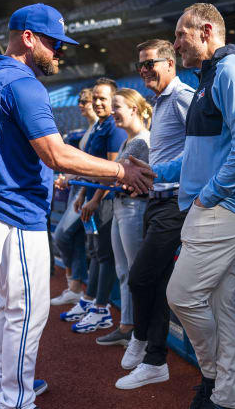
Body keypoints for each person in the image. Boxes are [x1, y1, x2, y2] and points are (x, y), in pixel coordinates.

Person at [0, 3, 153, 409]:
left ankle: (1, 383)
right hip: (10, 214)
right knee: (26, 314)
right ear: (28, 38)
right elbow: (57, 155)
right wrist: (121, 172)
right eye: (54, 43)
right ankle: (16, 399)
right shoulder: (22, 83)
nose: (60, 52)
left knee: (8, 306)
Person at [142, 3, 235, 409]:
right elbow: (196, 157)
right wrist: (151, 172)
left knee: (180, 296)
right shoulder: (208, 78)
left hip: (224, 207)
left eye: (181, 34)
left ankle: (213, 377)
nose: (176, 42)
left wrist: (207, 195)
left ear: (207, 31)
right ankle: (226, 398)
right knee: (222, 308)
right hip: (214, 205)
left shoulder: (232, 72)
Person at [115, 39, 194, 390]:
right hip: (156, 200)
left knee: (139, 278)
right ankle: (155, 360)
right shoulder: (162, 102)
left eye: (150, 64)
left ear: (170, 63)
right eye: (140, 65)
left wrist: (156, 175)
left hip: (175, 204)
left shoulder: (182, 97)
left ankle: (142, 340)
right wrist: (145, 176)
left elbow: (201, 151)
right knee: (157, 284)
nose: (144, 70)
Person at [61, 78, 128, 334]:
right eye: (96, 98)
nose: (98, 103)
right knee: (96, 253)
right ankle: (90, 302)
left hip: (106, 201)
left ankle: (101, 309)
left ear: (114, 100)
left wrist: (95, 198)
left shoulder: (114, 128)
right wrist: (81, 196)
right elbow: (92, 170)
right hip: (91, 199)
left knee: (104, 255)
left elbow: (113, 172)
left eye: (103, 98)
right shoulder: (100, 126)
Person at [95, 88, 152, 350]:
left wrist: (81, 170)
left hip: (133, 208)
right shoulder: (126, 141)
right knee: (125, 271)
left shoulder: (140, 141)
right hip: (121, 207)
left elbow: (112, 176)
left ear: (134, 109)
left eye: (117, 106)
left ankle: (141, 332)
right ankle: (128, 326)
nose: (112, 112)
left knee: (135, 272)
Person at [50, 88, 98, 306]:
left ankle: (80, 287)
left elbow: (92, 165)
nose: (81, 104)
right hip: (78, 189)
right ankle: (75, 288)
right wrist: (68, 177)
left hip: (87, 191)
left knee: (62, 236)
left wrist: (72, 178)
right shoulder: (91, 128)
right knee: (76, 239)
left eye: (85, 100)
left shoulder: (101, 128)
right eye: (80, 100)